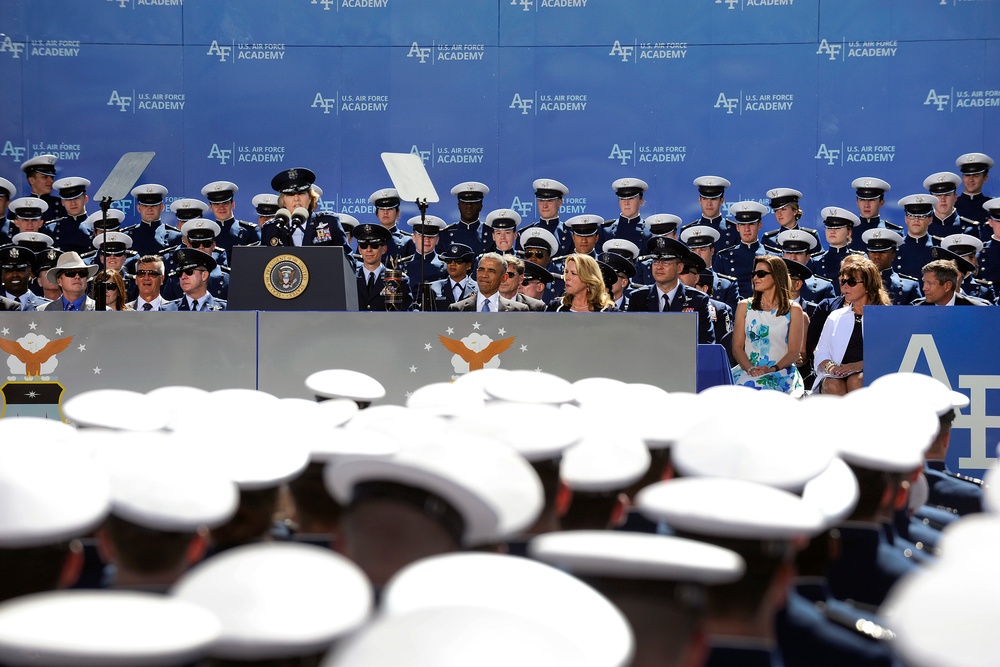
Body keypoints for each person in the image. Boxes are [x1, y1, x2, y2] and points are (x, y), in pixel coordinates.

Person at [813, 255, 890, 394]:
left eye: (852, 281)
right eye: (843, 281)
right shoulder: (835, 316)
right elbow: (821, 351)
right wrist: (831, 368)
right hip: (836, 375)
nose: (845, 286)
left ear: (868, 284)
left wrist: (859, 366)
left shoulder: (886, 317)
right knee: (833, 384)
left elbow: (889, 354)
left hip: (872, 373)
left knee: (856, 381)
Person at [731, 255, 805, 396]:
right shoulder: (744, 306)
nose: (755, 278)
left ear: (776, 276)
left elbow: (794, 352)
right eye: (754, 274)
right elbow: (737, 347)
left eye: (761, 274)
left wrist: (772, 369)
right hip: (747, 370)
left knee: (767, 392)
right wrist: (751, 369)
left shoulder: (794, 310)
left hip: (781, 372)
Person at [626, 236, 715, 342]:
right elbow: (630, 338)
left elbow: (706, 342)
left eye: (666, 263)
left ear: (679, 268)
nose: (659, 267)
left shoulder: (698, 300)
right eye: (655, 262)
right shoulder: (638, 298)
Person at [262, 168, 349, 252]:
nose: (296, 199)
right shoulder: (271, 229)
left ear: (310, 198)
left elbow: (346, 259)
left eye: (301, 193)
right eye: (290, 195)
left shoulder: (330, 222)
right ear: (283, 201)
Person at [714, 200, 771, 297]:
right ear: (737, 227)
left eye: (751, 224)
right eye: (742, 224)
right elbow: (717, 289)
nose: (747, 229)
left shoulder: (773, 256)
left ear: (759, 225)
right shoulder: (724, 257)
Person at [680, 224, 740, 310]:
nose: (698, 254)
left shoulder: (726, 285)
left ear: (712, 251)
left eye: (702, 249)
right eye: (693, 250)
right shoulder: (680, 282)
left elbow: (732, 317)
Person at [354, 223, 411, 312]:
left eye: (374, 245)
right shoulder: (350, 279)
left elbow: (403, 316)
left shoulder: (398, 280)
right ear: (359, 249)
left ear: (384, 249)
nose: (369, 250)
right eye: (364, 246)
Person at [449, 252, 528, 312]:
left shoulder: (518, 310)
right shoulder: (457, 309)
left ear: (504, 277)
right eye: (481, 270)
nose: (484, 275)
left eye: (491, 271)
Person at [860, 228, 921, 305]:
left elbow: (917, 314)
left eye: (882, 252)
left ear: (893, 255)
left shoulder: (909, 285)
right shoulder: (856, 282)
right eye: (873, 252)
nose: (877, 256)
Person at [201, 180, 260, 256]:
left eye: (225, 203)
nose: (221, 207)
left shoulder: (250, 231)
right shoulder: (206, 234)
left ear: (233, 205)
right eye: (216, 204)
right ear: (211, 207)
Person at [680, 175, 739, 251]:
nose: (709, 204)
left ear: (722, 201)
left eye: (713, 199)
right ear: (699, 200)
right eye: (705, 199)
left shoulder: (734, 230)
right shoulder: (688, 231)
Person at [124, 184, 183, 256]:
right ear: (139, 208)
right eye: (145, 206)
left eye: (154, 205)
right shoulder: (127, 237)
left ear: (162, 207)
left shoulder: (175, 236)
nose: (149, 209)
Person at [522, 178, 574, 257]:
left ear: (560, 202)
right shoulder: (526, 234)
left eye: (550, 201)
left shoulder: (569, 233)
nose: (545, 206)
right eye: (541, 201)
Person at [547, 253, 615, 312]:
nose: (567, 277)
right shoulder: (555, 307)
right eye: (566, 272)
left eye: (573, 273)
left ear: (588, 279)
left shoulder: (608, 311)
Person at [894, 194, 941, 279]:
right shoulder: (895, 247)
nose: (916, 219)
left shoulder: (939, 246)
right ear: (905, 219)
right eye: (911, 215)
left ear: (930, 220)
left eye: (922, 216)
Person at [762, 187, 822, 253]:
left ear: (795, 211)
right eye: (776, 210)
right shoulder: (768, 239)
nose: (779, 214)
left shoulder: (811, 236)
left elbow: (817, 260)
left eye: (783, 209)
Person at [849, 177, 901, 252]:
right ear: (857, 202)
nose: (866, 205)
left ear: (881, 203)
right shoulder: (848, 231)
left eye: (871, 200)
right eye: (862, 200)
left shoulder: (893, 232)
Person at [812, 206, 863, 283]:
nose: (832, 231)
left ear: (849, 233)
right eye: (829, 227)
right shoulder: (815, 260)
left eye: (838, 228)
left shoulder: (860, 259)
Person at [439, 181, 490, 254]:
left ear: (481, 207)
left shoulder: (490, 233)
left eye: (474, 203)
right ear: (458, 206)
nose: (469, 206)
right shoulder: (445, 234)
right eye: (465, 202)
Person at [912, 257, 987, 306]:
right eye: (924, 282)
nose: (924, 288)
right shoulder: (916, 308)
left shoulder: (976, 309)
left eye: (930, 283)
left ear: (947, 286)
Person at [46, 176, 93, 254]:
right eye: (68, 199)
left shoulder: (95, 226)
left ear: (86, 199)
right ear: (62, 202)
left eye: (77, 198)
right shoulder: (51, 229)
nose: (73, 203)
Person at [367, 187, 412, 263]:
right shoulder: (368, 238)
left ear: (398, 213)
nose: (385, 212)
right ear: (377, 213)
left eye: (390, 209)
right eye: (382, 209)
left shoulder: (407, 241)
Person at [428, 242, 477, 310]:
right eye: (449, 261)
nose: (452, 264)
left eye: (458, 261)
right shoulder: (433, 288)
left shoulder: (478, 289)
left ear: (468, 266)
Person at [1, 244, 48, 311]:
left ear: (29, 272)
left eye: (20, 269)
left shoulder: (47, 307)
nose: (15, 275)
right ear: (2, 275)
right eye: (9, 270)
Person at [606, 177, 649, 248]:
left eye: (631, 198)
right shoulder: (605, 231)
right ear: (618, 202)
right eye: (622, 199)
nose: (626, 203)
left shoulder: (649, 231)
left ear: (641, 201)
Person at [955, 151, 993, 230]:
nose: (971, 180)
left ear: (985, 178)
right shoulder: (952, 206)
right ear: (962, 177)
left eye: (976, 176)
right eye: (967, 175)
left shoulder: (991, 207)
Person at [20, 154, 64, 222]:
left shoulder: (62, 205)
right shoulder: (20, 206)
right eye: (45, 177)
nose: (51, 181)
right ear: (31, 180)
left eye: (52, 177)